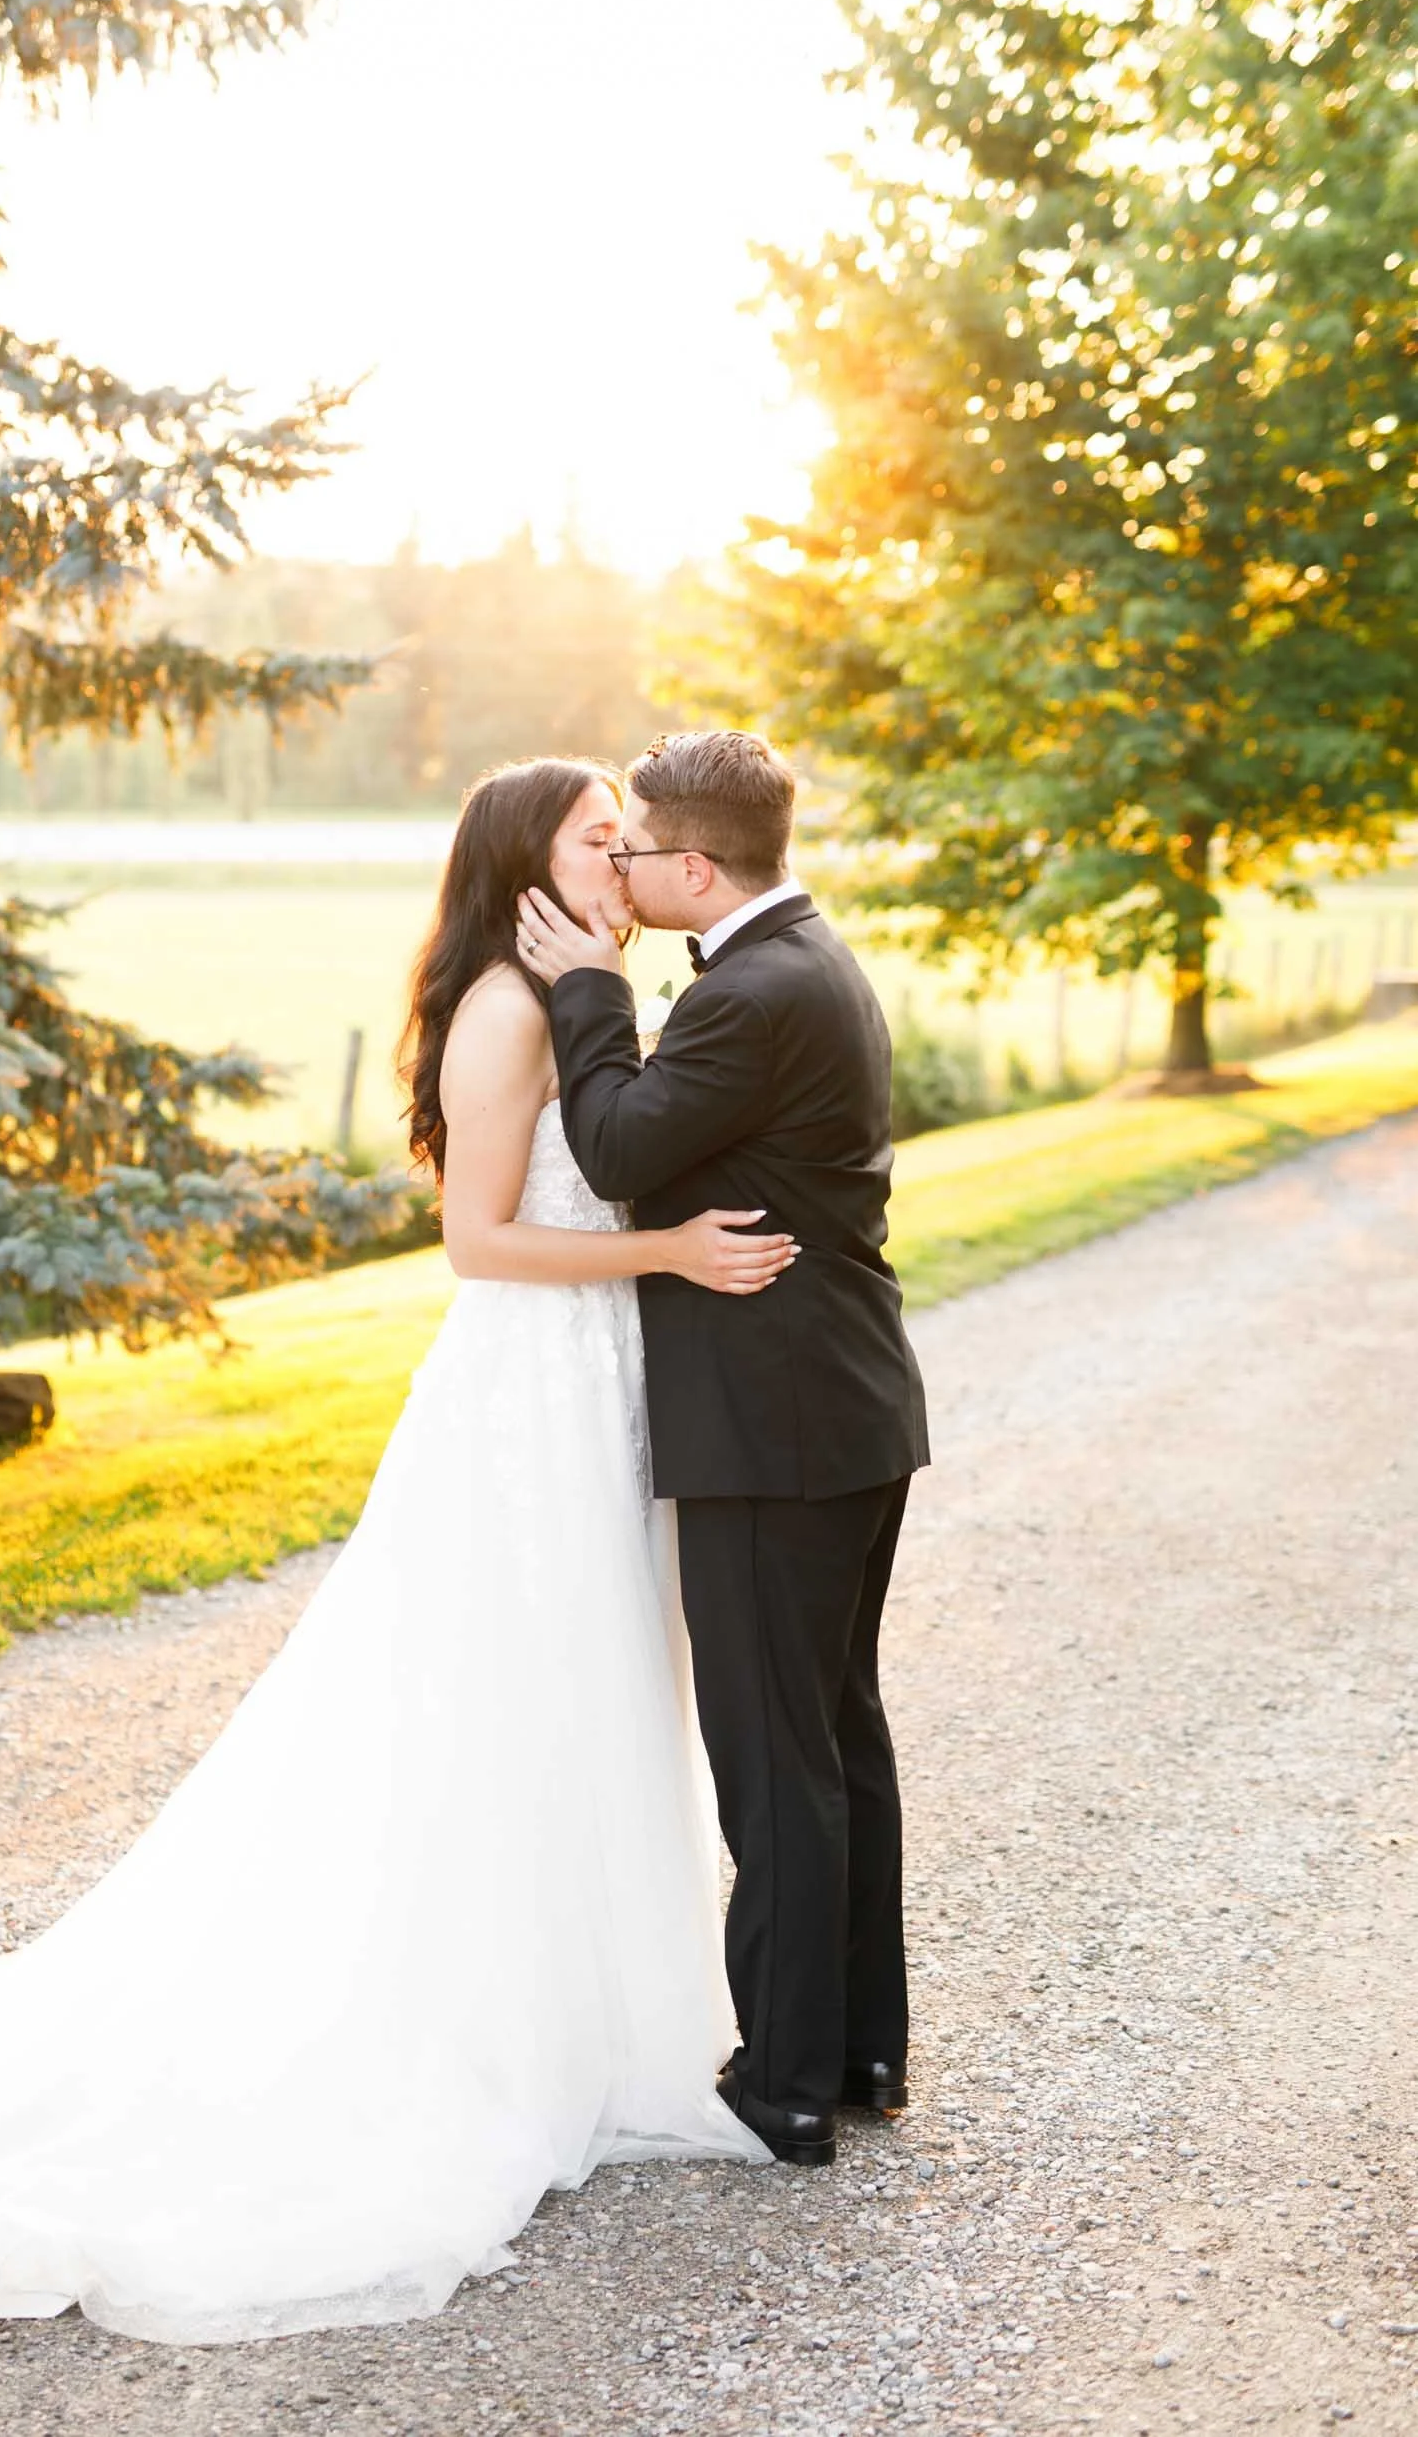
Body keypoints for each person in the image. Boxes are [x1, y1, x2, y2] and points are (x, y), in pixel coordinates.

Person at [0, 757, 782, 2351]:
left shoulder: (577, 988)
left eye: (628, 834)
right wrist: (668, 1249)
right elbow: (477, 1241)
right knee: (508, 1690)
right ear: (519, 871)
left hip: (596, 1371)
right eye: (596, 836)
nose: (625, 852)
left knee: (597, 1686)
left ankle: (600, 2025)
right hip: (526, 1385)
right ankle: (485, 2033)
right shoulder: (506, 1008)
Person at [517, 729, 930, 2169]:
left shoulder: (745, 997)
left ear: (693, 867)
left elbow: (621, 1148)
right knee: (835, 1739)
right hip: (847, 1408)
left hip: (776, 1427)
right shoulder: (802, 956)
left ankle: (786, 2080)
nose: (618, 866)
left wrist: (585, 995)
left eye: (632, 850)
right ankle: (862, 2045)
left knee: (775, 1761)